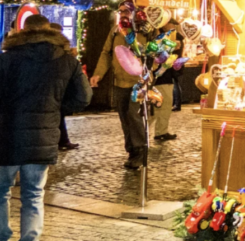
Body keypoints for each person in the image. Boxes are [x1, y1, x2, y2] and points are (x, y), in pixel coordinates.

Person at [0, 14, 91, 241]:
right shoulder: (67, 60)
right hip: (43, 137)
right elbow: (83, 97)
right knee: (33, 197)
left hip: (5, 136)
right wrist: (55, 109)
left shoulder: (6, 58)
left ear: (22, 30)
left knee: (1, 192)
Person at [90, 15, 149, 169]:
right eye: (120, 10)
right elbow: (106, 53)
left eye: (126, 10)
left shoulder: (146, 30)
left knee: (133, 115)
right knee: (124, 117)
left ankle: (140, 150)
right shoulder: (116, 30)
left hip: (140, 82)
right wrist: (99, 73)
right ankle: (131, 150)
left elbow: (154, 55)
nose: (123, 13)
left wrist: (151, 74)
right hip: (120, 82)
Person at [48, 23, 80, 151]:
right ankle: (61, 141)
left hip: (59, 86)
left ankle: (63, 140)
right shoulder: (53, 48)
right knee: (57, 115)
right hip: (55, 86)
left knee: (59, 115)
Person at [152, 20, 180, 142]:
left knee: (162, 106)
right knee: (162, 105)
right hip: (161, 78)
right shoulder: (158, 38)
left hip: (165, 77)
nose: (173, 28)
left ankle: (161, 131)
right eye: (171, 25)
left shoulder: (169, 38)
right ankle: (159, 132)